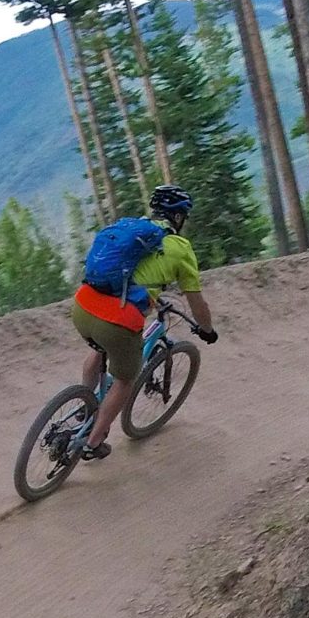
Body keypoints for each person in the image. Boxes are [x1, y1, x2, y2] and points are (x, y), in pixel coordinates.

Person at [70, 183, 218, 460]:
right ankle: (93, 441)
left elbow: (131, 276)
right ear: (178, 216)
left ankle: (84, 404)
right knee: (127, 378)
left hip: (82, 305)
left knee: (99, 348)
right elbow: (197, 302)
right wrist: (207, 330)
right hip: (117, 320)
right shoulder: (180, 248)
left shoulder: (134, 231)